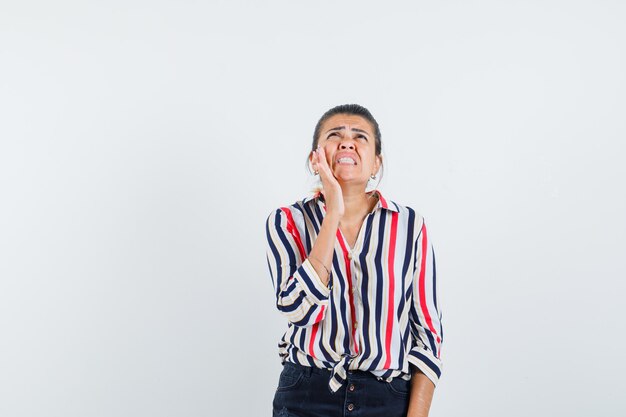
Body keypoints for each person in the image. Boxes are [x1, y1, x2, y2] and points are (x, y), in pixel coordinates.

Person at [265, 104, 443, 417]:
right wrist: (332, 211)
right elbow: (298, 310)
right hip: (307, 393)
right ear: (314, 159)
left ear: (376, 163)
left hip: (387, 397)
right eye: (335, 135)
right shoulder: (287, 221)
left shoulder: (409, 225)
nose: (347, 142)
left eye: (360, 137)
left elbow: (428, 335)